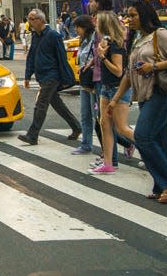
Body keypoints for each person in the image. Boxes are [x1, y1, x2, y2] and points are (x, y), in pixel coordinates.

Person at [110, 0, 167, 203]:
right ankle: (161, 185)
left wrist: (154, 67)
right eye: (128, 15)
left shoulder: (161, 35)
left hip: (163, 93)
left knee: (143, 136)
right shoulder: (138, 39)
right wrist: (116, 99)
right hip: (145, 95)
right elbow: (129, 73)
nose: (129, 19)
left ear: (145, 15)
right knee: (160, 141)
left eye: (133, 15)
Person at [19, 9, 81, 145]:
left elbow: (61, 57)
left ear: (41, 20)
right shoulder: (35, 36)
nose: (30, 21)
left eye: (32, 18)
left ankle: (32, 135)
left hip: (52, 76)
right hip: (42, 76)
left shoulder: (53, 35)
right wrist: (27, 76)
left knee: (40, 103)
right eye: (29, 18)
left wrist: (64, 77)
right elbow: (31, 56)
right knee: (58, 105)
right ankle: (76, 127)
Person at [90, 11, 135, 173]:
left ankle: (150, 148)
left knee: (122, 128)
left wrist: (103, 57)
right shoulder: (107, 42)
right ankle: (108, 164)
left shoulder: (116, 45)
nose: (95, 25)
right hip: (106, 87)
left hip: (118, 88)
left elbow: (118, 71)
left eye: (98, 23)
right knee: (105, 124)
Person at [72, 15, 97, 157]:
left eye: (78, 27)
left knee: (97, 116)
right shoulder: (83, 41)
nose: (76, 30)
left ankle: (126, 141)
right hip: (84, 81)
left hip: (94, 81)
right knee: (85, 114)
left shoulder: (95, 39)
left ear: (85, 27)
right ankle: (86, 144)